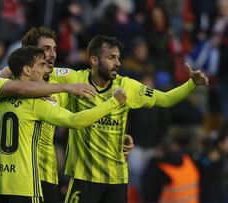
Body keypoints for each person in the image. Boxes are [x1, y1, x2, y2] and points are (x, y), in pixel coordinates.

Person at [0, 26, 135, 203]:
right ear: (27, 64)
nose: (50, 56)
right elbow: (74, 119)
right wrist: (111, 103)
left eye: (53, 50)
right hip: (24, 183)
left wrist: (117, 136)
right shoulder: (38, 97)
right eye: (43, 54)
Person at [48, 35, 208, 203]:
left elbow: (165, 99)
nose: (117, 62)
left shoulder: (127, 86)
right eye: (111, 57)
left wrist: (191, 84)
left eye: (118, 57)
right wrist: (63, 86)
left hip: (116, 180)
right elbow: (42, 73)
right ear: (94, 60)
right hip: (83, 179)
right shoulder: (75, 79)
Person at [0, 46, 126, 203]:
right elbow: (75, 121)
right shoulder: (36, 102)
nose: (46, 70)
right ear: (26, 70)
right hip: (26, 187)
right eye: (41, 65)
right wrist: (113, 103)